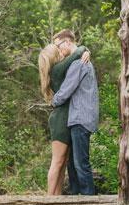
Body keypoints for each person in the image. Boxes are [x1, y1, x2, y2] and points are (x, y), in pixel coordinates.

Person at [38, 38, 90, 195]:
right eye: (58, 50)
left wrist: (86, 50)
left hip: (66, 118)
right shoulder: (58, 69)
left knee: (62, 163)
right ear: (54, 56)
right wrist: (85, 49)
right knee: (57, 161)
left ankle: (57, 198)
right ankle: (49, 199)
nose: (61, 52)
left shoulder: (57, 70)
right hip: (61, 119)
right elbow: (77, 52)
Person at [51, 29, 99, 195]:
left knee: (80, 163)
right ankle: (76, 196)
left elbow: (65, 91)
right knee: (73, 162)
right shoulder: (80, 59)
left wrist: (53, 101)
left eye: (58, 46)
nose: (58, 50)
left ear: (68, 42)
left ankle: (89, 200)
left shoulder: (78, 64)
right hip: (78, 118)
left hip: (80, 118)